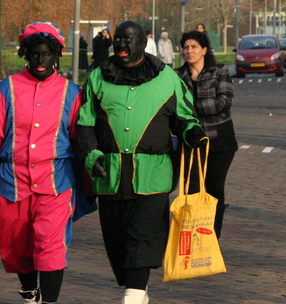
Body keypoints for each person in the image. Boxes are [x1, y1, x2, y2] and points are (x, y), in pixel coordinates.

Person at [77, 20, 205, 304]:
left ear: (142, 43)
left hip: (153, 177)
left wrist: (191, 131)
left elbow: (184, 117)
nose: (121, 45)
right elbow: (84, 124)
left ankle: (132, 297)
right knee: (119, 244)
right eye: (118, 39)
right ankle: (138, 292)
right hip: (109, 177)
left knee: (142, 238)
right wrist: (90, 155)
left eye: (128, 39)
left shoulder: (168, 78)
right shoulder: (98, 77)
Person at [0, 21, 82, 304]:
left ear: (57, 55)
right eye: (35, 53)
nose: (41, 59)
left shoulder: (72, 93)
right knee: (17, 250)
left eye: (47, 53)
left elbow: (81, 140)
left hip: (55, 183)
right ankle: (29, 292)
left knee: (50, 246)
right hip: (11, 183)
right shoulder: (6, 88)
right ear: (25, 54)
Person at [174, 30, 238, 238]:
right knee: (191, 190)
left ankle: (212, 235)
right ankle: (193, 235)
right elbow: (173, 107)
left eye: (193, 47)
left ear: (204, 50)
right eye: (186, 47)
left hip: (220, 141)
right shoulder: (177, 75)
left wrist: (190, 108)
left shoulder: (219, 71)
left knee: (214, 189)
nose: (189, 51)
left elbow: (224, 102)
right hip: (191, 141)